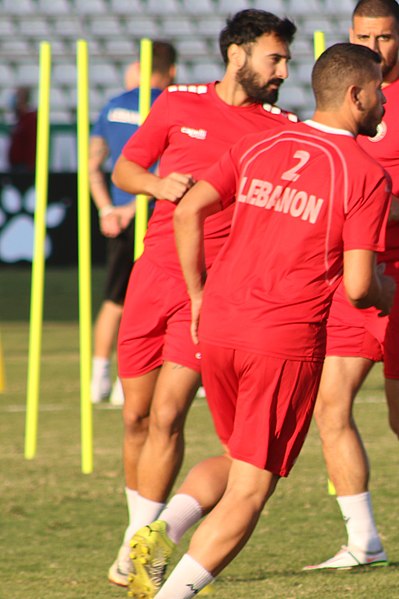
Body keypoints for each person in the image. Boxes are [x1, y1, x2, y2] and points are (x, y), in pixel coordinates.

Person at [126, 42, 395, 599]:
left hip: (219, 325)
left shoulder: (260, 140)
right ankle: (170, 594)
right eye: (378, 91)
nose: (385, 102)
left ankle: (162, 527)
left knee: (239, 456)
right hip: (281, 338)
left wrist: (199, 294)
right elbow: (359, 285)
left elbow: (191, 207)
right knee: (253, 487)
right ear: (355, 95)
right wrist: (390, 297)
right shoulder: (364, 173)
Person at [109, 9, 298, 589]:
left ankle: (141, 552)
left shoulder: (280, 127)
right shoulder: (175, 103)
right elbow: (124, 168)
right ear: (237, 54)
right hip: (153, 277)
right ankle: (138, 538)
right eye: (275, 57)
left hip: (213, 291)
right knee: (137, 416)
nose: (284, 72)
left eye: (287, 60)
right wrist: (157, 185)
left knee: (168, 414)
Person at [303, 0, 399, 571]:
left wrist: (375, 213)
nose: (375, 48)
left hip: (394, 275)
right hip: (354, 279)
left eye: (386, 38)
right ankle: (363, 541)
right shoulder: (341, 100)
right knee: (329, 406)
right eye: (365, 36)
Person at [89, 41, 177, 406]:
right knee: (163, 300)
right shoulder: (172, 104)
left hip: (120, 216)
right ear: (170, 71)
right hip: (158, 215)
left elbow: (93, 163)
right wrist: (131, 208)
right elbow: (170, 167)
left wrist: (108, 209)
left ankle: (99, 376)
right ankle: (134, 379)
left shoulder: (113, 106)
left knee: (115, 299)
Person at [7, 86, 37, 172]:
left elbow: (32, 143)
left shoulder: (31, 119)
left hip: (25, 167)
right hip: (16, 165)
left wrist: (30, 165)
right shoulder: (19, 119)